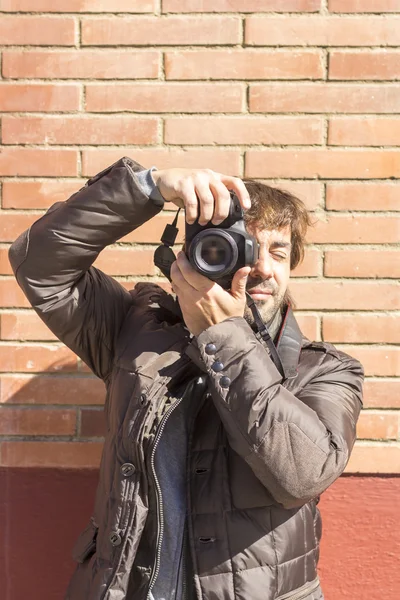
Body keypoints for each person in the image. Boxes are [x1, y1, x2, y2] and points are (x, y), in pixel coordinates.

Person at [9, 157, 363, 600]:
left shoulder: (326, 370)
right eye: (242, 248)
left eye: (278, 251)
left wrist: (224, 337)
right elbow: (38, 263)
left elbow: (302, 476)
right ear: (193, 255)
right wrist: (147, 187)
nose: (261, 268)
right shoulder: (134, 331)